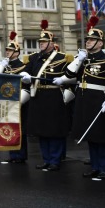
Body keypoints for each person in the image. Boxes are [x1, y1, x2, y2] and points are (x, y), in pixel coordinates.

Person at [55, 26, 105, 180]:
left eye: (92, 40)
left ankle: (104, 168)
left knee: (103, 135)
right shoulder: (83, 58)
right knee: (90, 134)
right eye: (87, 39)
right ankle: (95, 166)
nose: (88, 42)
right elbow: (69, 74)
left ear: (100, 43)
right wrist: (79, 59)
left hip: (100, 99)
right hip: (83, 99)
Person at [20, 21, 70, 172]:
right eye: (40, 42)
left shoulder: (63, 57)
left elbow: (71, 76)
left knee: (54, 130)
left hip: (54, 96)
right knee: (41, 130)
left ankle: (55, 159)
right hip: (38, 96)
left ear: (51, 43)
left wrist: (63, 80)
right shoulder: (34, 58)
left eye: (44, 42)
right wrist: (24, 76)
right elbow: (25, 71)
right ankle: (46, 159)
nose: (41, 44)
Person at [0, 32, 29, 164]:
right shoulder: (6, 66)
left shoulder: (23, 66)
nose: (8, 52)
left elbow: (27, 85)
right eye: (7, 50)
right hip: (7, 101)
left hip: (20, 100)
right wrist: (2, 65)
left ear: (17, 52)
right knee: (9, 127)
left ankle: (20, 155)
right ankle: (12, 154)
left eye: (10, 50)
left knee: (20, 129)